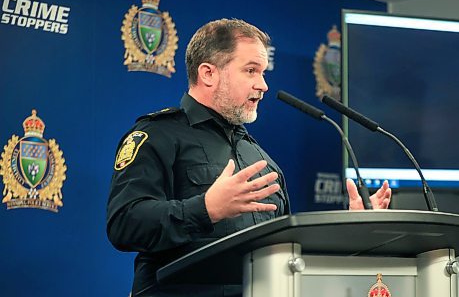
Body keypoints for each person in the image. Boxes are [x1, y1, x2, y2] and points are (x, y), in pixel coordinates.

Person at [106, 18, 392, 297]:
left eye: (263, 72)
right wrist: (206, 208)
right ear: (208, 73)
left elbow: (285, 252)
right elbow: (125, 224)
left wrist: (350, 229)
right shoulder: (158, 135)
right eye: (251, 71)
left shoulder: (260, 157)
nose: (263, 85)